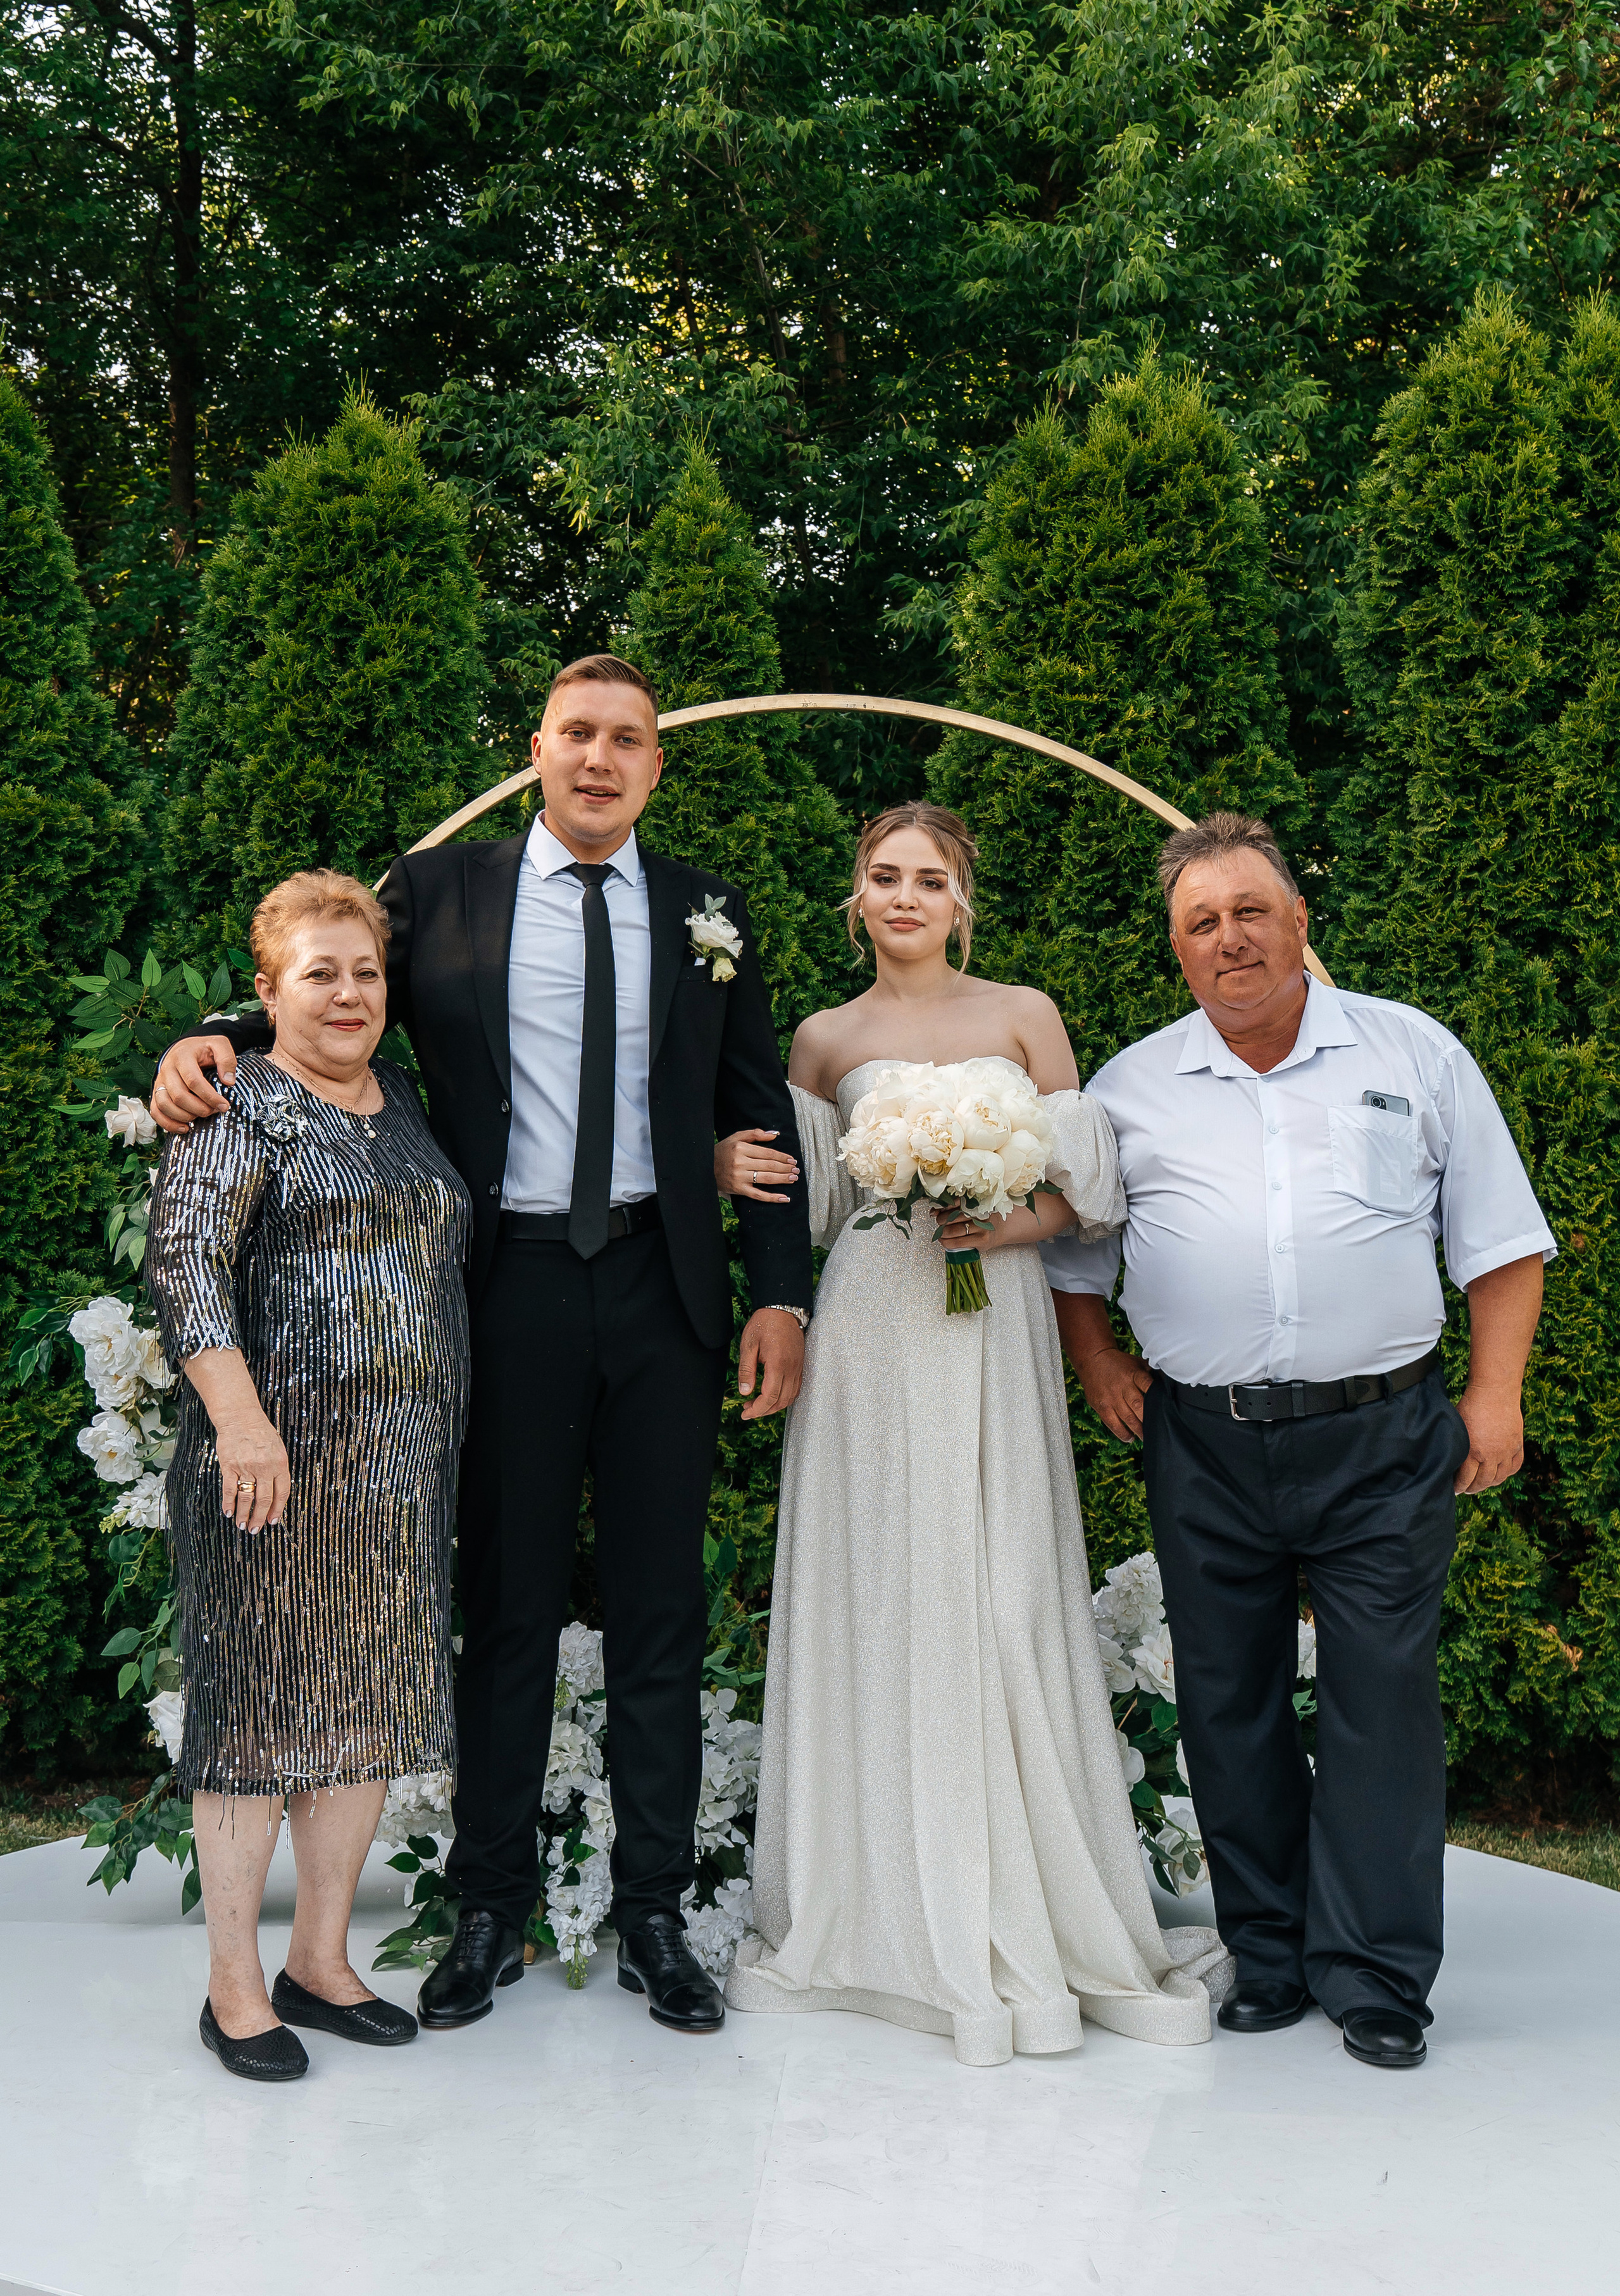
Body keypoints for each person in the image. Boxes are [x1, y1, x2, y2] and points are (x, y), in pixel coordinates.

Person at [151, 656, 813, 2038]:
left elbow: (757, 1117)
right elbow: (324, 983)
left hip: (662, 1292)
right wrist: (206, 1039)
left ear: (652, 765)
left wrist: (775, 1296)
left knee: (659, 1614)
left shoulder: (709, 912)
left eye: (625, 740)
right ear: (536, 749)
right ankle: (486, 1908)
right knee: (504, 1608)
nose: (598, 758)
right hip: (497, 1287)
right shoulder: (439, 891)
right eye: (576, 734)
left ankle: (653, 1916)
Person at [715, 803, 1228, 2066]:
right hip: (878, 1327)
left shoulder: (1022, 1013)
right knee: (889, 1587)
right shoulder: (825, 1036)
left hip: (988, 1315)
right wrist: (726, 1161)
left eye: (927, 878)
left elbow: (1084, 1185)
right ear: (855, 897)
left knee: (997, 1591)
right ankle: (881, 1902)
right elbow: (815, 1201)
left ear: (960, 901)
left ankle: (1026, 1885)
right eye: (882, 875)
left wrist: (1005, 1217)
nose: (903, 895)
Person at [1044, 809, 1554, 2072]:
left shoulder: (1409, 1053)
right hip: (1204, 1445)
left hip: (1381, 1435)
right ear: (1176, 954)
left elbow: (1498, 1241)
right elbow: (1071, 1253)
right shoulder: (1130, 1088)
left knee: (1381, 1702)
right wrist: (1099, 1362)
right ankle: (1267, 1955)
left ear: (1296, 922)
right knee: (1227, 1702)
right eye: (1199, 924)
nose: (1228, 939)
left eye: (1248, 911)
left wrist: (1494, 1399)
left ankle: (1375, 1972)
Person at [146, 869, 471, 2083]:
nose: (348, 994)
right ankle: (236, 1987)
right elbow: (188, 1271)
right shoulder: (234, 1108)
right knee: (254, 1718)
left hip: (399, 1474)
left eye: (367, 971)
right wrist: (239, 1423)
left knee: (364, 1710)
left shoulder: (409, 1105)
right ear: (267, 990)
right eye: (319, 973)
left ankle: (321, 1964)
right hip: (268, 1472)